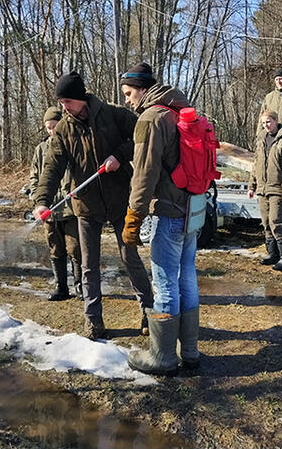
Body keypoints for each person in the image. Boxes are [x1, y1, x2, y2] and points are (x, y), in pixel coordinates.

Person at [33, 72, 154, 340]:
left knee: (130, 257)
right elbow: (52, 168)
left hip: (121, 199)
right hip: (86, 205)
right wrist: (42, 201)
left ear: (80, 97)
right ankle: (93, 320)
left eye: (67, 101)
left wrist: (119, 156)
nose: (64, 107)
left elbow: (141, 139)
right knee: (88, 264)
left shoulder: (114, 114)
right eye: (61, 102)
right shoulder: (64, 129)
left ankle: (148, 311)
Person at [119, 62, 200, 376]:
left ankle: (163, 358)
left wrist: (134, 215)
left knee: (165, 282)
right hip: (194, 207)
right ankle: (189, 352)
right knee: (187, 277)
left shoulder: (151, 118)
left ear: (141, 88)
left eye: (128, 93)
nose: (127, 100)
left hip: (168, 211)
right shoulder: (182, 110)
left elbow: (144, 175)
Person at [30, 106, 83, 301]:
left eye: (55, 126)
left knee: (75, 248)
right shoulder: (40, 150)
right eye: (48, 127)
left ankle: (80, 286)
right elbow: (34, 178)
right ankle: (61, 287)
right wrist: (37, 200)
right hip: (49, 211)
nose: (52, 130)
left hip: (71, 208)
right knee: (55, 247)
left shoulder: (71, 144)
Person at [248, 111, 282, 272]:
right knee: (266, 223)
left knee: (276, 222)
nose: (266, 125)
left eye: (268, 122)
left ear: (276, 121)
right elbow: (256, 164)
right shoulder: (261, 139)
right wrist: (252, 186)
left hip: (278, 188)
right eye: (263, 123)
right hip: (263, 188)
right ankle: (273, 254)